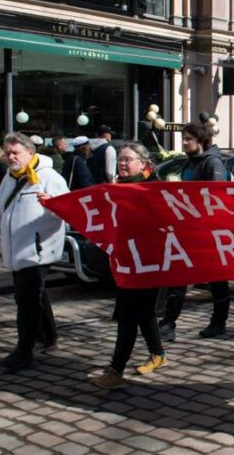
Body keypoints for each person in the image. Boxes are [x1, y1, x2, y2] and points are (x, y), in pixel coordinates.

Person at [0, 133, 69, 372]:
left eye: (16, 152)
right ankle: (47, 336)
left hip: (38, 250)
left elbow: (69, 212)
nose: (11, 157)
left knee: (26, 301)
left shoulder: (49, 177)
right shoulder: (9, 178)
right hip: (16, 250)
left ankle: (23, 351)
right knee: (35, 296)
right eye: (8, 152)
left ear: (31, 154)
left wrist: (53, 205)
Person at [91, 142, 168, 389]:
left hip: (149, 263)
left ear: (143, 163)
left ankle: (116, 369)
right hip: (126, 261)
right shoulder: (116, 188)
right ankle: (158, 355)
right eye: (121, 160)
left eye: (128, 159)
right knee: (143, 313)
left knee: (127, 316)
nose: (122, 164)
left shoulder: (154, 188)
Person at [159, 123, 231, 341]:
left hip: (209, 231)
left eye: (188, 138)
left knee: (217, 278)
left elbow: (217, 196)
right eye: (184, 138)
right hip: (188, 229)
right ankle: (168, 324)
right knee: (179, 273)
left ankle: (219, 322)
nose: (184, 142)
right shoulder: (190, 162)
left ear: (201, 140)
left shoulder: (213, 163)